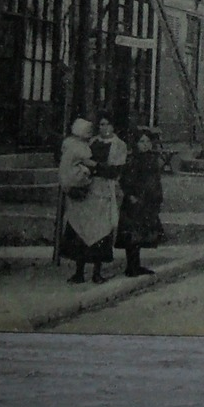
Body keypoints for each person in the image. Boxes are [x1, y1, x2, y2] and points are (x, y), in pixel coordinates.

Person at [59, 117, 118, 284]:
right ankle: (85, 272)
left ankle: (90, 272)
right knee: (86, 231)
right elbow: (78, 162)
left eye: (107, 124)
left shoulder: (115, 145)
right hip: (87, 193)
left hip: (95, 193)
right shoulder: (83, 146)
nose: (103, 127)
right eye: (101, 124)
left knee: (95, 232)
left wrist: (97, 168)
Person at [116, 127, 164, 276]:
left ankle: (136, 265)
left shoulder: (152, 159)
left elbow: (155, 181)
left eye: (148, 141)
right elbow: (125, 180)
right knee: (132, 234)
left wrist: (157, 197)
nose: (145, 144)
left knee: (143, 233)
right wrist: (131, 196)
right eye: (141, 141)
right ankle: (131, 266)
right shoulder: (132, 160)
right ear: (136, 143)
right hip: (135, 202)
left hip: (148, 202)